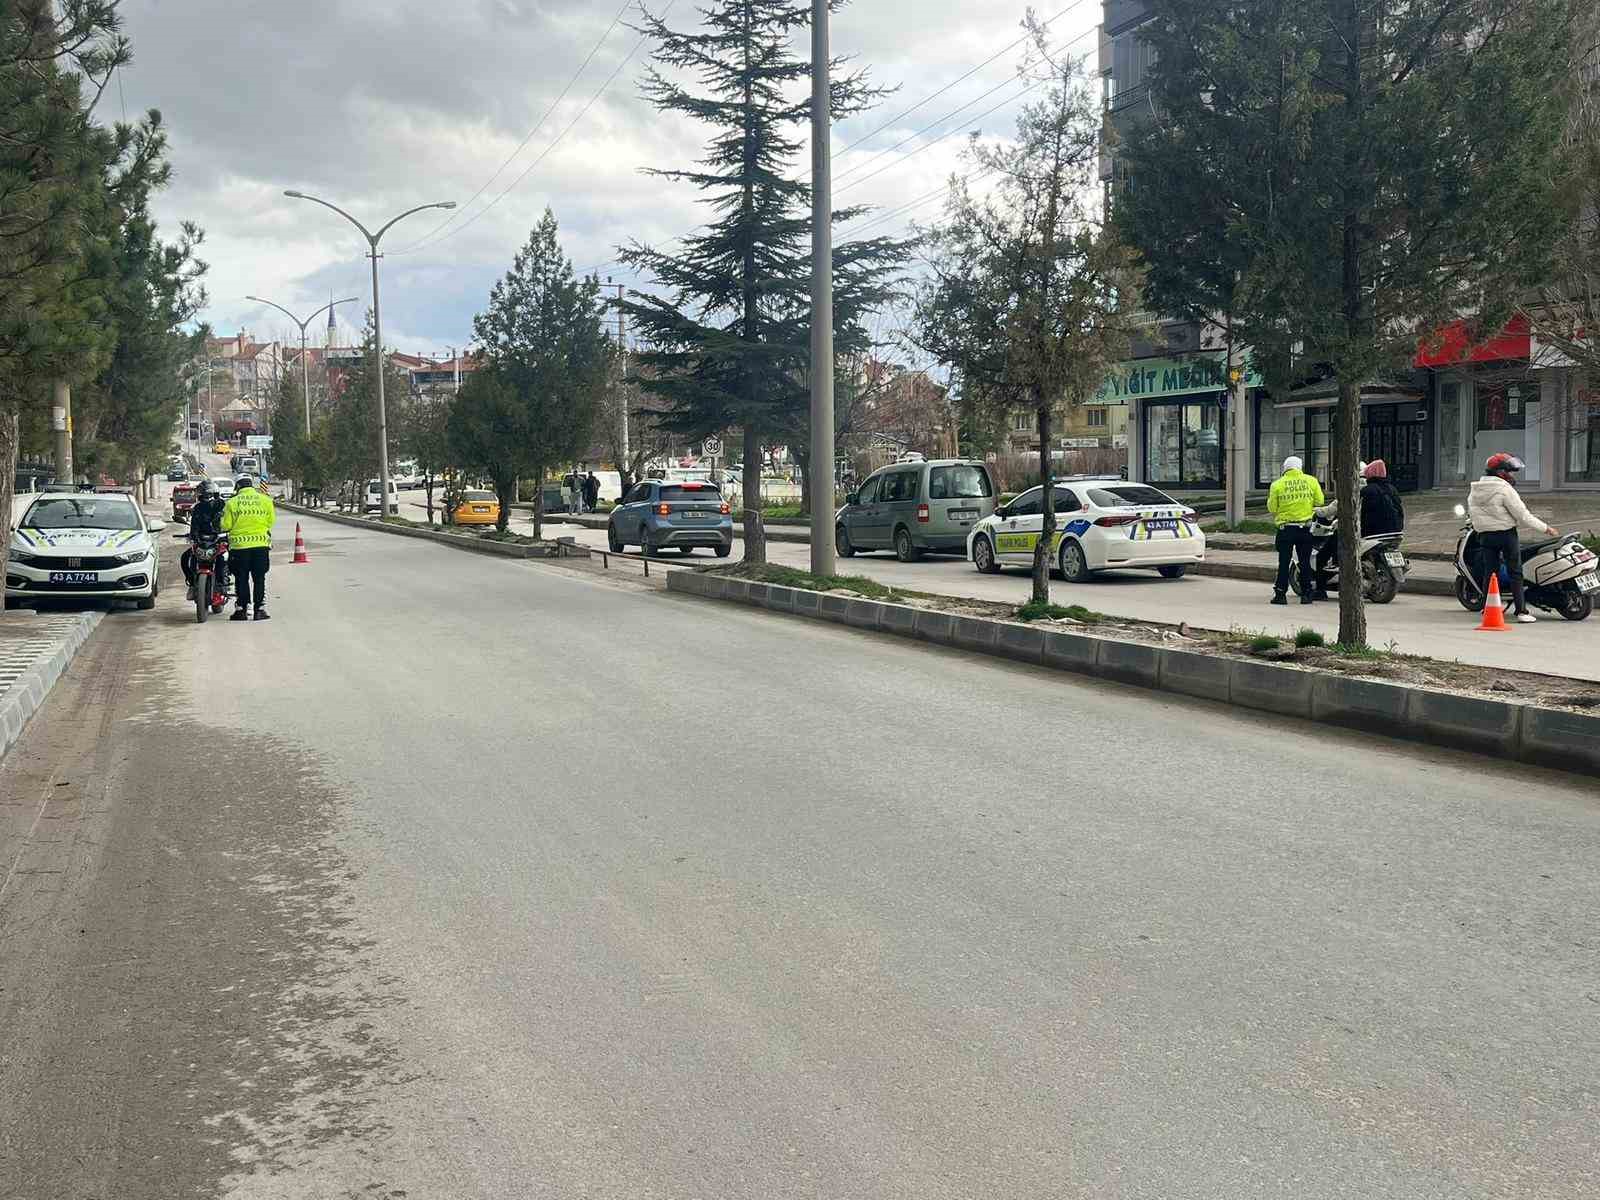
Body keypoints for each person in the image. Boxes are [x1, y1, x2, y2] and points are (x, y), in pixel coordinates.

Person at [1468, 453, 1559, 623]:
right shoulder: (1504, 489)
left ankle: (1488, 608)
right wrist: (1546, 528)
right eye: (1510, 472)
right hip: (1506, 534)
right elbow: (1523, 515)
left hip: (1485, 536)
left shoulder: (1476, 490)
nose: (1512, 475)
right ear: (1501, 472)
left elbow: (1473, 514)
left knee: (1490, 572)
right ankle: (1521, 611)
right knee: (1515, 572)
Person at [1267, 455, 1324, 605]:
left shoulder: (1277, 485)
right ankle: (1306, 594)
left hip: (1285, 530)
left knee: (1284, 562)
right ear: (1300, 467)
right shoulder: (1311, 481)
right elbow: (1320, 501)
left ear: (1285, 468)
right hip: (1305, 529)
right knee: (1304, 562)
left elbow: (1272, 508)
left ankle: (1280, 594)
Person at [221, 474, 276, 621]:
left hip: (239, 547)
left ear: (237, 486)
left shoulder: (232, 503)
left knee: (241, 578)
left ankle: (242, 610)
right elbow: (270, 522)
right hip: (260, 545)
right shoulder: (266, 501)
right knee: (259, 578)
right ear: (251, 485)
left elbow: (225, 525)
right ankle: (259, 610)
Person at [181, 479, 228, 601]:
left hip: (218, 540)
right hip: (201, 541)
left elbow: (227, 523)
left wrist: (226, 534)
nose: (206, 497)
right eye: (203, 494)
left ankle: (222, 584)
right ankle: (192, 583)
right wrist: (192, 536)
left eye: (208, 495)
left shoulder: (222, 505)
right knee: (186, 558)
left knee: (226, 559)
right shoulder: (197, 508)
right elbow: (194, 525)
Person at [1359, 459, 1404, 536]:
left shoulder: (1367, 490)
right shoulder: (1392, 489)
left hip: (1374, 532)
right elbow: (1400, 510)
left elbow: (1362, 512)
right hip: (1395, 530)